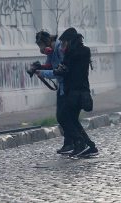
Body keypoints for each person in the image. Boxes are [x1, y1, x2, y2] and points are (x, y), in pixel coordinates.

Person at [54, 27, 98, 158]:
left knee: (63, 117)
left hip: (75, 92)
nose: (62, 46)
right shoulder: (84, 51)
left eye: (64, 43)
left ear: (69, 41)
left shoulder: (72, 54)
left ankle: (80, 143)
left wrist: (58, 70)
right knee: (73, 119)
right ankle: (90, 146)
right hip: (81, 91)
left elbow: (65, 69)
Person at [33, 30, 74, 154]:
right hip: (62, 87)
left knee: (64, 117)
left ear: (48, 41)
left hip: (68, 86)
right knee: (62, 116)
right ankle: (70, 142)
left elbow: (60, 71)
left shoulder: (60, 49)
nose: (42, 49)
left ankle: (74, 142)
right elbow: (50, 67)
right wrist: (38, 68)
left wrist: (42, 73)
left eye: (42, 45)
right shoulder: (51, 52)